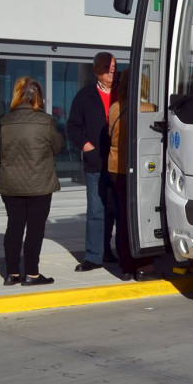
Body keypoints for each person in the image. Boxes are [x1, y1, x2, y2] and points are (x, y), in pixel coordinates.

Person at [0, 77, 63, 286]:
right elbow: (58, 147)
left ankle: (12, 273)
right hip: (39, 183)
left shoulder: (5, 121)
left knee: (14, 226)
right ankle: (32, 274)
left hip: (10, 183)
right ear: (39, 97)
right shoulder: (46, 121)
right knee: (35, 229)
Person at [66, 52, 117, 271]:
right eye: (109, 68)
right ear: (98, 70)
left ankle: (108, 250)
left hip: (118, 163)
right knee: (96, 210)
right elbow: (73, 127)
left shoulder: (122, 94)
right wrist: (88, 148)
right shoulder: (84, 96)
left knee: (114, 210)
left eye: (114, 67)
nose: (113, 71)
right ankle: (94, 256)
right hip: (95, 163)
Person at [107, 70, 158, 281]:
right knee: (144, 216)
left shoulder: (114, 108)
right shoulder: (149, 109)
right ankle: (144, 265)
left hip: (116, 168)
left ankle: (126, 265)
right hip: (141, 171)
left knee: (123, 216)